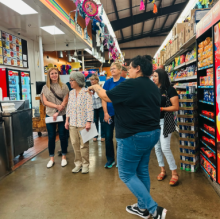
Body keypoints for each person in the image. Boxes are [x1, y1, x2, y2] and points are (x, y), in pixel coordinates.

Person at [88, 55, 167, 219]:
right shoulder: (152, 86)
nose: (127, 71)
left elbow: (106, 96)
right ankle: (143, 207)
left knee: (126, 174)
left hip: (133, 136)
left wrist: (95, 87)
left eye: (129, 68)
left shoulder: (131, 83)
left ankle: (153, 209)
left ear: (138, 68)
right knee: (142, 170)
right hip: (152, 134)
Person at [152, 69, 179, 186]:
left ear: (161, 77)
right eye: (153, 76)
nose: (153, 78)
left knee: (165, 147)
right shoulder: (152, 90)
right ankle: (162, 170)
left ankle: (174, 173)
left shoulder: (170, 90)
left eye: (155, 76)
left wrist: (161, 109)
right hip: (154, 122)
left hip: (165, 122)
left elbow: (176, 107)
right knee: (157, 147)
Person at [65, 72, 93, 174]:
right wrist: (66, 121)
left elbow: (90, 108)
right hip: (72, 123)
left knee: (84, 145)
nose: (70, 82)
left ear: (78, 81)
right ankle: (78, 164)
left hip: (83, 124)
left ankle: (85, 164)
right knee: (75, 144)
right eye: (70, 80)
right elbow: (69, 108)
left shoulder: (87, 92)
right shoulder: (71, 93)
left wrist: (89, 122)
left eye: (72, 80)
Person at [41, 68, 69, 168]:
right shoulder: (45, 87)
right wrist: (56, 106)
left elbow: (65, 100)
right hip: (49, 115)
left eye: (55, 73)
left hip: (62, 114)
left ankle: (64, 157)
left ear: (58, 74)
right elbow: (45, 101)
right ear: (49, 75)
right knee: (51, 136)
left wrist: (58, 111)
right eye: (52, 73)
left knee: (63, 136)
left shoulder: (64, 86)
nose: (54, 75)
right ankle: (51, 158)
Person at [102, 62, 126, 168]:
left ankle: (120, 160)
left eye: (114, 68)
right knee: (108, 137)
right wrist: (106, 113)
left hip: (121, 115)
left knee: (120, 138)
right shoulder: (107, 83)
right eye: (111, 69)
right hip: (109, 114)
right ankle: (110, 160)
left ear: (120, 70)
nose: (112, 70)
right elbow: (103, 98)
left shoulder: (124, 82)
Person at [90, 75, 105, 142]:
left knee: (102, 121)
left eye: (93, 80)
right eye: (91, 80)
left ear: (97, 80)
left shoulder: (100, 87)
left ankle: (103, 135)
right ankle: (95, 136)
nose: (92, 81)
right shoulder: (89, 88)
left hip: (101, 106)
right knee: (94, 121)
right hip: (93, 107)